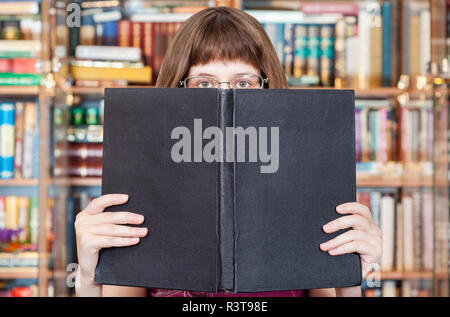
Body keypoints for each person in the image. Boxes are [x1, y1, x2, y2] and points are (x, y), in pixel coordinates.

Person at [74, 6, 382, 297]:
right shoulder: (143, 178)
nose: (224, 97)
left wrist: (354, 269)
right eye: (204, 83)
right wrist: (88, 275)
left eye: (243, 83)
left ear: (268, 86)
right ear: (177, 89)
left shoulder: (304, 178)